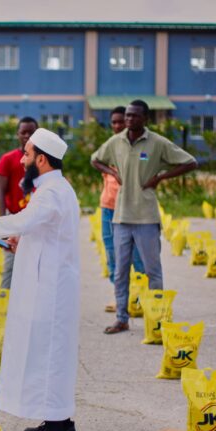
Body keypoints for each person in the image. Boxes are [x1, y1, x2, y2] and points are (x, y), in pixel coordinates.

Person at [0, 128, 80, 431]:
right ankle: (61, 421)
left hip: (50, 290)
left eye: (26, 154)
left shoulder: (52, 192)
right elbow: (41, 229)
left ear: (41, 159)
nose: (21, 160)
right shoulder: (53, 189)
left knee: (48, 355)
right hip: (50, 285)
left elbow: (28, 220)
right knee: (51, 353)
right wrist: (19, 239)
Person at [98, 100, 197, 335]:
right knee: (121, 271)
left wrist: (160, 177)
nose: (129, 120)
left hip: (146, 217)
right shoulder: (117, 141)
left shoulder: (158, 143)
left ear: (146, 119)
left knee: (153, 271)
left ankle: (157, 319)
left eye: (134, 116)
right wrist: (113, 172)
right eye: (128, 116)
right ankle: (122, 318)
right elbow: (96, 159)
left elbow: (190, 162)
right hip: (121, 217)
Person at [91, 106, 145, 312]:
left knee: (138, 256)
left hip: (133, 210)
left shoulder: (139, 147)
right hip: (108, 208)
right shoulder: (109, 147)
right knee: (112, 255)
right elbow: (96, 161)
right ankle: (120, 297)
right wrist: (112, 174)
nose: (117, 126)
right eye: (113, 122)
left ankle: (141, 298)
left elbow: (146, 167)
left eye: (120, 121)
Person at [0, 116, 37, 289]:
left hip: (35, 220)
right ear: (17, 134)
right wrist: (3, 224)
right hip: (14, 219)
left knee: (35, 265)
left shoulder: (42, 160)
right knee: (11, 265)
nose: (27, 136)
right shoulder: (8, 159)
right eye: (23, 132)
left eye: (31, 132)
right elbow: (0, 192)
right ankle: (4, 302)